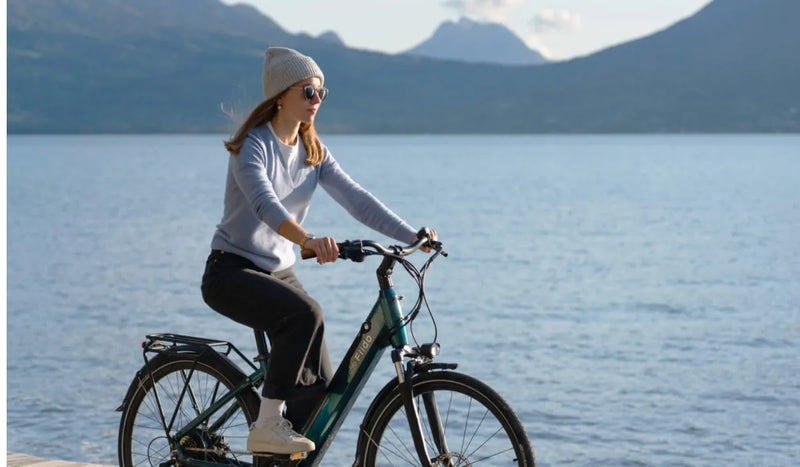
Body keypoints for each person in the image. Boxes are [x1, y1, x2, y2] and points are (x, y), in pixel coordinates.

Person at [201, 47, 434, 455]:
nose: (317, 100)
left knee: (318, 398)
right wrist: (306, 240)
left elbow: (357, 199)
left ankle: (280, 450)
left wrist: (411, 235)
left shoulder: (313, 150)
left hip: (278, 272)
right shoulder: (252, 147)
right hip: (231, 271)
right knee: (305, 314)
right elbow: (265, 205)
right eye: (309, 91)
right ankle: (267, 422)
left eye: (322, 93)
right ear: (281, 95)